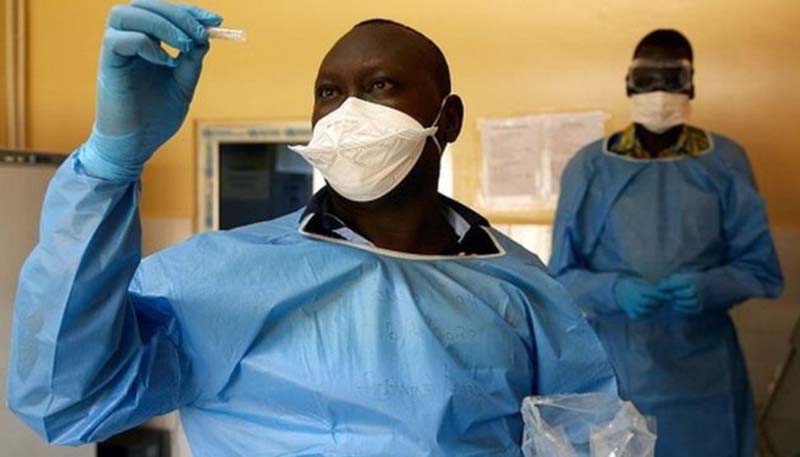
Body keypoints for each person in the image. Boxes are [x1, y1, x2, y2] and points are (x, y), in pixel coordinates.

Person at [6, 1, 615, 455]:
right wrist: (110, 164)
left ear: (447, 118)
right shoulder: (221, 275)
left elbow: (583, 436)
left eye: (379, 86)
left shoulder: (518, 287)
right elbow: (67, 401)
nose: (349, 111)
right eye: (329, 92)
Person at [549, 29, 783, 456]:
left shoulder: (725, 162)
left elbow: (760, 268)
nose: (658, 92)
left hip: (704, 373)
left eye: (672, 78)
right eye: (647, 78)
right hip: (618, 362)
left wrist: (710, 287)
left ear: (691, 85)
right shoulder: (591, 167)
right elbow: (560, 277)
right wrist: (614, 291)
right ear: (628, 83)